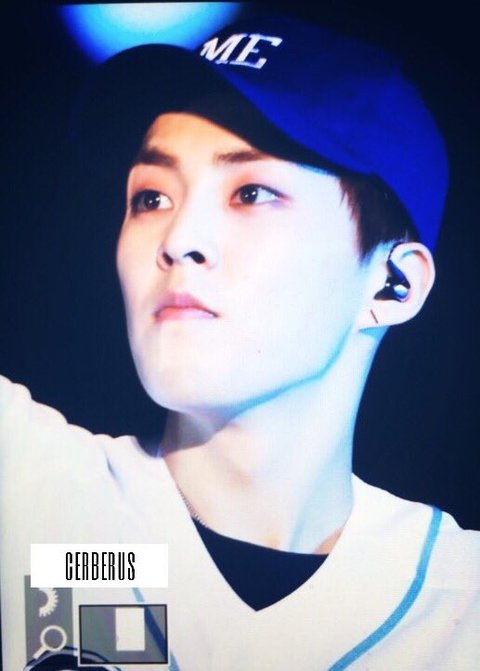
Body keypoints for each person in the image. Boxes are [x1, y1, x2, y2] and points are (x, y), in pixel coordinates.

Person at [1, 10, 479, 671]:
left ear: (393, 284)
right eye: (151, 197)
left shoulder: (460, 611)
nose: (179, 239)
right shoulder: (31, 490)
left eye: (251, 192)